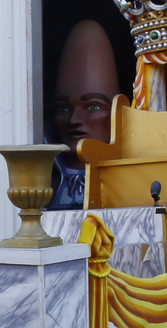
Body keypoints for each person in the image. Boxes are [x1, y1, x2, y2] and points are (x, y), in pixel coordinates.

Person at [47, 20, 120, 210]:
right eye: (63, 109)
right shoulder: (42, 187)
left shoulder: (134, 188)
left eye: (93, 107)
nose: (74, 120)